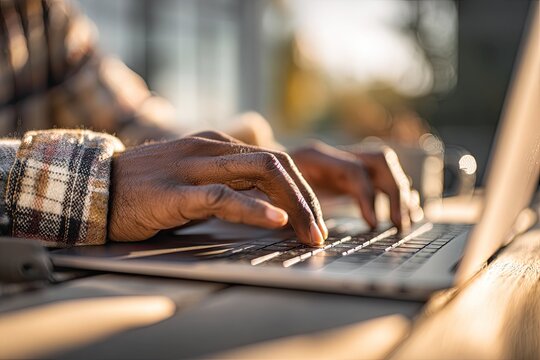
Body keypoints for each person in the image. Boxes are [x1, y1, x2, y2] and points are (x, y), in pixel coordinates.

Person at [0, 0, 411, 248]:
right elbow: (114, 177)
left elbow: (137, 124)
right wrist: (98, 185)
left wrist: (250, 169)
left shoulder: (35, 13)